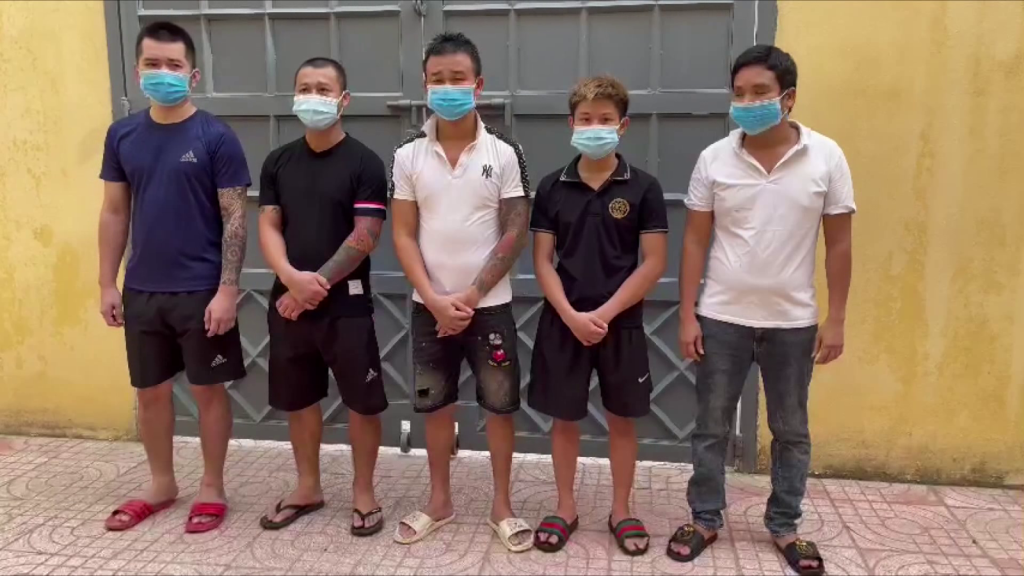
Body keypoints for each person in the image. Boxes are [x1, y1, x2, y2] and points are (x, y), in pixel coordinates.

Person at [670, 45, 854, 576]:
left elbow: (839, 244)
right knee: (710, 426)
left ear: (788, 97)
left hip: (793, 322)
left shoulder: (826, 157)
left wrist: (837, 318)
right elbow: (694, 241)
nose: (748, 102)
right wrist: (687, 314)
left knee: (791, 430)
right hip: (721, 317)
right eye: (739, 93)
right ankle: (705, 518)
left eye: (760, 93)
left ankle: (785, 525)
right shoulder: (714, 159)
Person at [98, 21, 249, 534]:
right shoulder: (122, 135)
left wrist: (227, 289)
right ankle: (161, 483)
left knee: (209, 391)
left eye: (174, 65)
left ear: (193, 74)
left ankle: (212, 486)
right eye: (153, 64)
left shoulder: (215, 137)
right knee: (150, 392)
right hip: (143, 289)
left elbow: (235, 217)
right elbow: (115, 211)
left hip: (202, 291)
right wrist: (107, 282)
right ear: (138, 71)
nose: (163, 73)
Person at [390, 32, 534, 552]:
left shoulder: (505, 152)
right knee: (435, 405)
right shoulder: (407, 154)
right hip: (429, 308)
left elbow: (515, 230)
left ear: (478, 84)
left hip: (489, 307)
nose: (447, 87)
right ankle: (439, 501)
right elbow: (402, 233)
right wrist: (432, 298)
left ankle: (502, 506)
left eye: (458, 78)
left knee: (499, 406)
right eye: (438, 79)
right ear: (424, 84)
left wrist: (472, 294)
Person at [528, 76, 668, 556]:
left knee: (622, 419)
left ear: (622, 126)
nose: (595, 127)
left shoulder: (644, 188)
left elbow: (653, 263)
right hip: (562, 322)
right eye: (586, 119)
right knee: (564, 419)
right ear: (571, 124)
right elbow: (542, 261)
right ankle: (565, 506)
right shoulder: (551, 187)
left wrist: (604, 314)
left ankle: (622, 510)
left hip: (620, 324)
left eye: (605, 119)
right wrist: (571, 315)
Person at [256, 58, 389, 535]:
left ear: (343, 100)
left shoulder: (365, 163)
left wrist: (314, 286)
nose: (313, 97)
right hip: (288, 302)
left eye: (324, 89)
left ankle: (364, 493)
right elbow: (269, 225)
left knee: (362, 403)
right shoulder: (277, 162)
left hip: (346, 304)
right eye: (305, 88)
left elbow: (365, 235)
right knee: (299, 399)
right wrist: (291, 278)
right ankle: (307, 487)